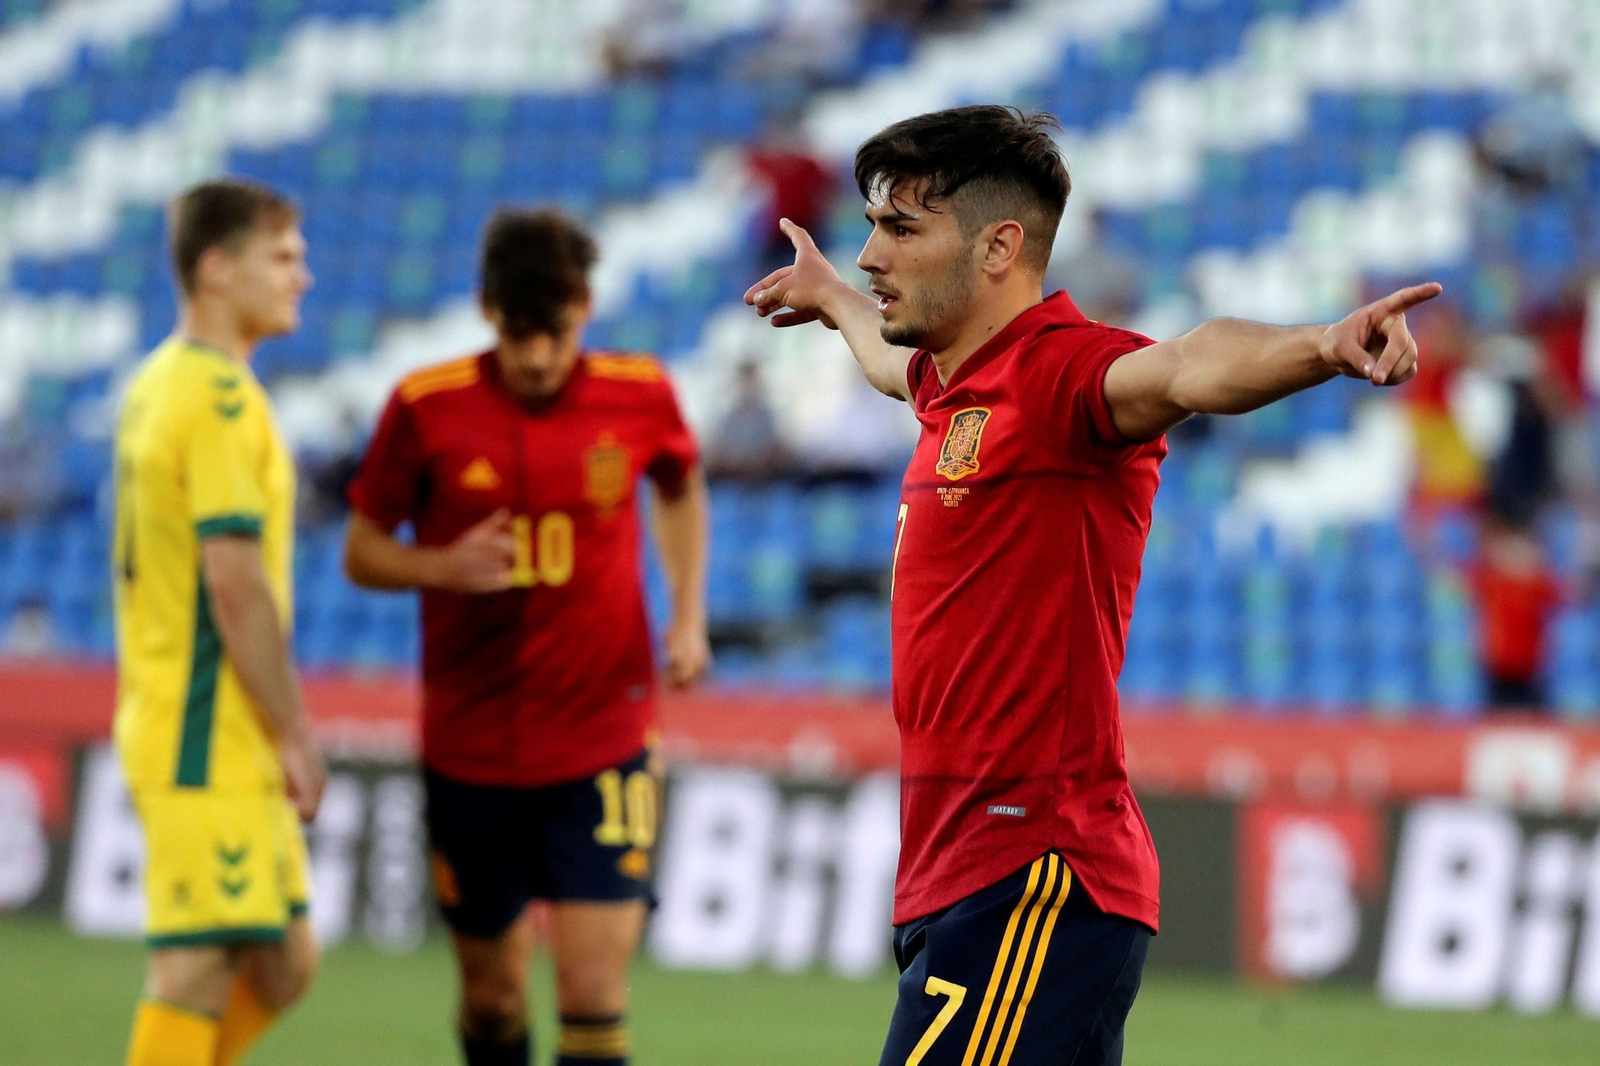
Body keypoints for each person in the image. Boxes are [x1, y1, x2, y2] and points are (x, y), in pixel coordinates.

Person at [744, 105, 1434, 1066]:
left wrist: (1323, 344)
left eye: (901, 230)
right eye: (870, 230)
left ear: (999, 247)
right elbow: (888, 367)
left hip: (1034, 867)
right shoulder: (955, 385)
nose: (870, 256)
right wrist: (830, 301)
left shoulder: (1064, 376)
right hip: (963, 872)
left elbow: (1190, 364)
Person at [343, 207, 710, 1066]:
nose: (538, 356)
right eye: (518, 333)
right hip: (472, 746)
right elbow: (360, 551)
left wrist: (686, 613)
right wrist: (439, 566)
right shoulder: (427, 407)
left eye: (554, 331)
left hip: (604, 736)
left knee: (591, 994)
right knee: (494, 996)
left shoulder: (641, 391)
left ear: (584, 307)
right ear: (485, 310)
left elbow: (681, 486)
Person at [113, 178, 324, 1066]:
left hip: (192, 717)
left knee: (285, 962)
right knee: (198, 965)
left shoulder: (164, 381)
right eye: (281, 257)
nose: (302, 278)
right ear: (215, 269)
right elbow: (234, 585)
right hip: (207, 726)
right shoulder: (219, 401)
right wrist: (295, 728)